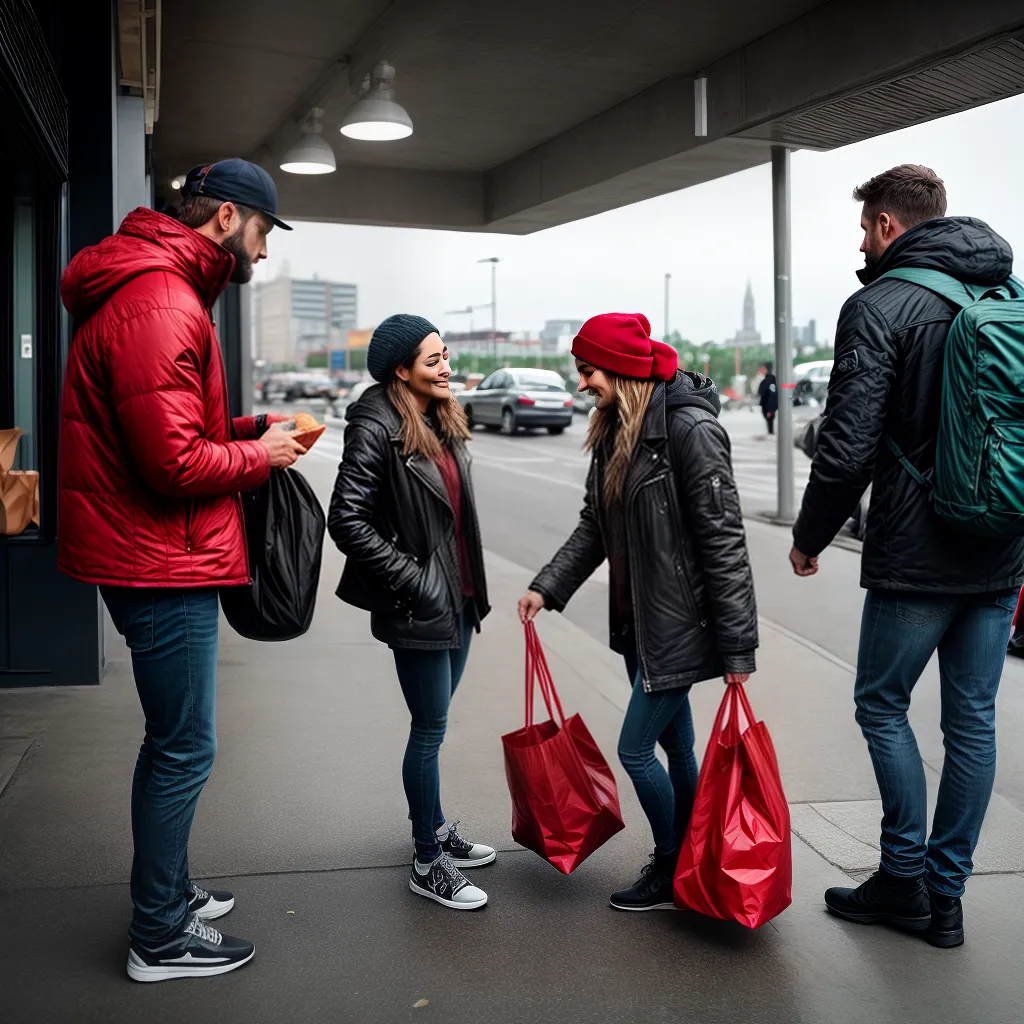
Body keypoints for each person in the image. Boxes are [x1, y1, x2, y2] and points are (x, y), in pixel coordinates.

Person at [58, 159, 306, 982]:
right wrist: (258, 454)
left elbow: (169, 425)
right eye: (266, 232)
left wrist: (250, 426)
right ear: (229, 219)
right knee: (182, 749)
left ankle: (170, 894)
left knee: (172, 743)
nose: (265, 254)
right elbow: (171, 462)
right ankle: (159, 936)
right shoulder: (164, 300)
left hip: (147, 552)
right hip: (160, 559)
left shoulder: (156, 287)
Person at [789, 164, 1024, 948]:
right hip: (999, 548)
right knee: (974, 724)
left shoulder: (878, 305)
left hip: (918, 552)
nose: (863, 241)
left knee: (882, 705)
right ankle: (945, 896)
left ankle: (901, 879)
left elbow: (849, 444)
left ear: (889, 225)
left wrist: (809, 536)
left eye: (865, 228)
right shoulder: (1007, 297)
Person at [518, 313, 758, 910]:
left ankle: (673, 863)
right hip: (640, 627)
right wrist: (547, 587)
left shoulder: (689, 430)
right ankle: (694, 865)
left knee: (633, 751)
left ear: (621, 370)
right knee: (677, 750)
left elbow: (724, 541)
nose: (581, 384)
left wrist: (737, 648)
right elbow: (593, 527)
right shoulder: (613, 429)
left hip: (681, 627)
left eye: (587, 371)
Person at [328, 316, 495, 911]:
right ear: (402, 370)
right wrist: (412, 580)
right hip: (421, 604)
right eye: (433, 360)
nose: (446, 367)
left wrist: (460, 591)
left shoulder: (440, 418)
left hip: (459, 601)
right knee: (428, 730)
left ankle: (438, 826)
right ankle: (429, 861)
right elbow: (346, 518)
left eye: (445, 355)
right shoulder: (376, 425)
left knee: (438, 724)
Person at [758, 361, 778, 434]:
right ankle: (770, 430)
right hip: (769, 402)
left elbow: (762, 391)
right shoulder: (770, 380)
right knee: (769, 416)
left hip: (768, 402)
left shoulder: (769, 380)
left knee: (769, 416)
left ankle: (770, 430)